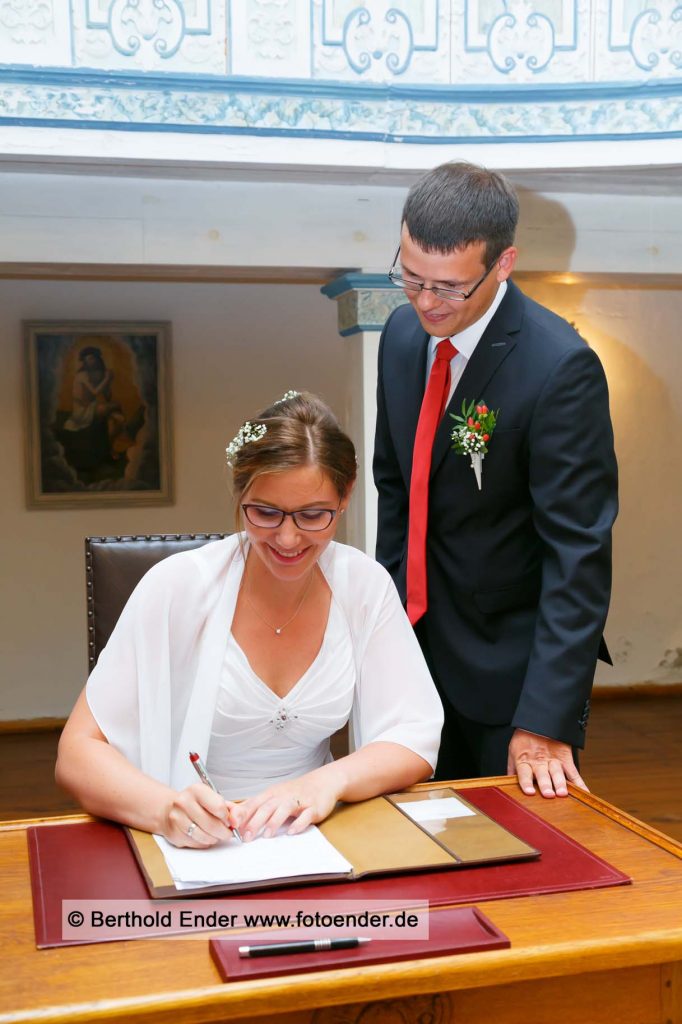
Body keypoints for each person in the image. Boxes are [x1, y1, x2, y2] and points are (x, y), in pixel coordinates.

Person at [56, 392, 443, 847]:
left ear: (346, 495)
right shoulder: (177, 587)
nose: (287, 537)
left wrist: (324, 784)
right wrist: (165, 809)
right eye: (265, 512)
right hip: (198, 843)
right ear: (240, 495)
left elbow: (413, 737)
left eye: (313, 515)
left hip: (316, 836)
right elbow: (77, 755)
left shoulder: (363, 585)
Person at [373, 161, 618, 799]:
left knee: (511, 869)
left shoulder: (559, 367)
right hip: (410, 663)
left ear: (503, 264)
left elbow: (578, 552)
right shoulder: (400, 338)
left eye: (449, 288)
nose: (426, 303)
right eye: (410, 276)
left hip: (510, 680)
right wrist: (383, 630)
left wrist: (545, 718)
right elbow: (395, 490)